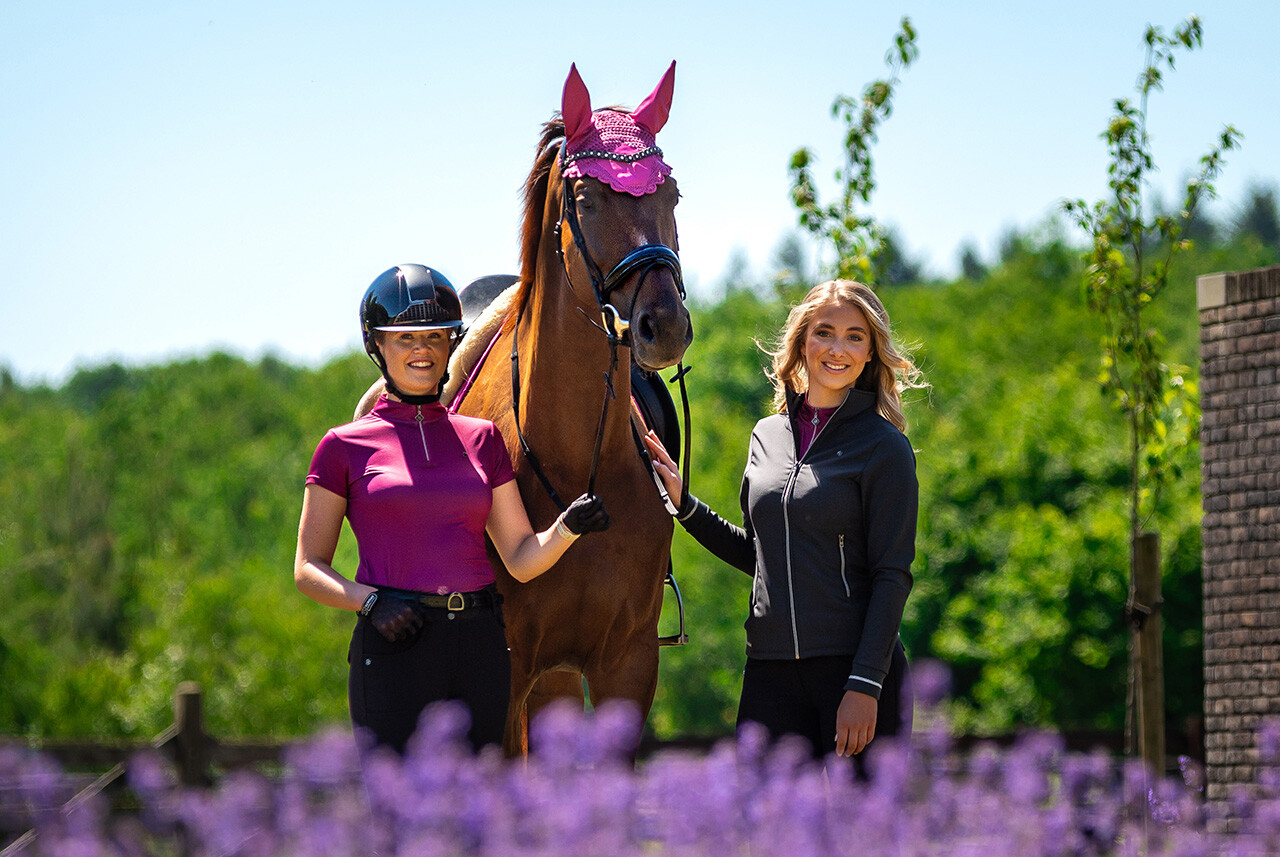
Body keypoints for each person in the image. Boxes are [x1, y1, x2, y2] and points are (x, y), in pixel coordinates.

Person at [295, 264, 609, 756]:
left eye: (435, 336)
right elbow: (308, 568)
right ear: (376, 345)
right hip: (395, 639)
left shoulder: (483, 439)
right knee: (396, 797)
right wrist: (369, 602)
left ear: (451, 345)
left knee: (481, 794)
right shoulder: (342, 447)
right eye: (405, 338)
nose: (421, 349)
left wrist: (567, 528)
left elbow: (521, 558)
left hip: (481, 645)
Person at [644, 279, 921, 760]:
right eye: (824, 332)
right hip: (770, 672)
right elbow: (760, 556)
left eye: (855, 336)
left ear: (871, 352)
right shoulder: (766, 435)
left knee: (861, 815)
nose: (837, 349)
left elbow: (892, 575)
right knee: (764, 810)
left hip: (853, 674)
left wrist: (865, 684)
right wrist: (685, 505)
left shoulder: (884, 448)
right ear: (802, 341)